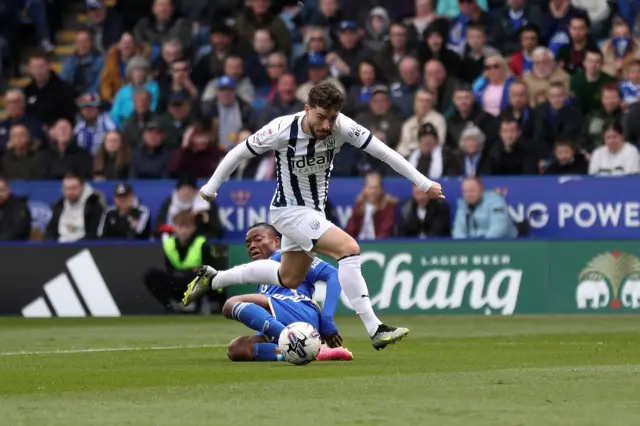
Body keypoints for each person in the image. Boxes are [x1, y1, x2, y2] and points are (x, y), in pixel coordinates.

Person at [183, 82, 444, 349]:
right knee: (349, 249)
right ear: (307, 110)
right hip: (288, 210)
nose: (326, 125)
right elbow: (239, 152)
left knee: (289, 278)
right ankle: (375, 328)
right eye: (321, 117)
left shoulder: (343, 126)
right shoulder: (281, 129)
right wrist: (211, 187)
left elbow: (384, 153)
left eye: (332, 118)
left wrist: (423, 183)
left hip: (312, 212)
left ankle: (214, 278)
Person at [223, 223, 353, 362]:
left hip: (296, 308)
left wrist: (327, 319)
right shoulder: (262, 278)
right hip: (280, 316)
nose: (252, 245)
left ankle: (290, 337)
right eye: (248, 243)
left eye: (258, 239)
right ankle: (309, 351)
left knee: (231, 304)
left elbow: (333, 275)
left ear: (276, 241)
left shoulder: (285, 257)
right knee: (237, 348)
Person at [143, 211, 217, 313]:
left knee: (204, 277)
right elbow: (169, 268)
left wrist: (197, 270)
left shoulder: (202, 243)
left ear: (193, 228)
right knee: (151, 274)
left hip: (194, 282)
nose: (183, 231)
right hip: (177, 281)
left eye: (187, 227)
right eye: (180, 227)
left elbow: (211, 269)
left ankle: (197, 306)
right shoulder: (169, 244)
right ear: (175, 228)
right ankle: (170, 307)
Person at [45, 173, 105, 243]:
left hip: (84, 248)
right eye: (67, 189)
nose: (70, 192)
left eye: (74, 188)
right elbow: (50, 231)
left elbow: (93, 235)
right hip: (60, 247)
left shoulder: (94, 206)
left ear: (82, 187)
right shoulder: (60, 206)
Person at [452, 177, 518, 239]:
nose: (469, 194)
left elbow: (499, 229)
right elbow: (458, 230)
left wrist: (482, 245)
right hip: (472, 247)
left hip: (502, 245)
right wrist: (465, 245)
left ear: (481, 190)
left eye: (472, 190)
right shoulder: (463, 204)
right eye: (465, 191)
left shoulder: (496, 201)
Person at [345, 170, 397, 240]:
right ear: (365, 189)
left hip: (378, 246)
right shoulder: (359, 205)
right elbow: (350, 230)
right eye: (370, 188)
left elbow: (385, 233)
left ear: (381, 189)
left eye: (376, 188)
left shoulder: (387, 207)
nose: (373, 191)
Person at [0, 176, 32, 241]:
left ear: (8, 190)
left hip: (14, 247)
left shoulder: (19, 206)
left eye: (1, 190)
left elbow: (19, 230)